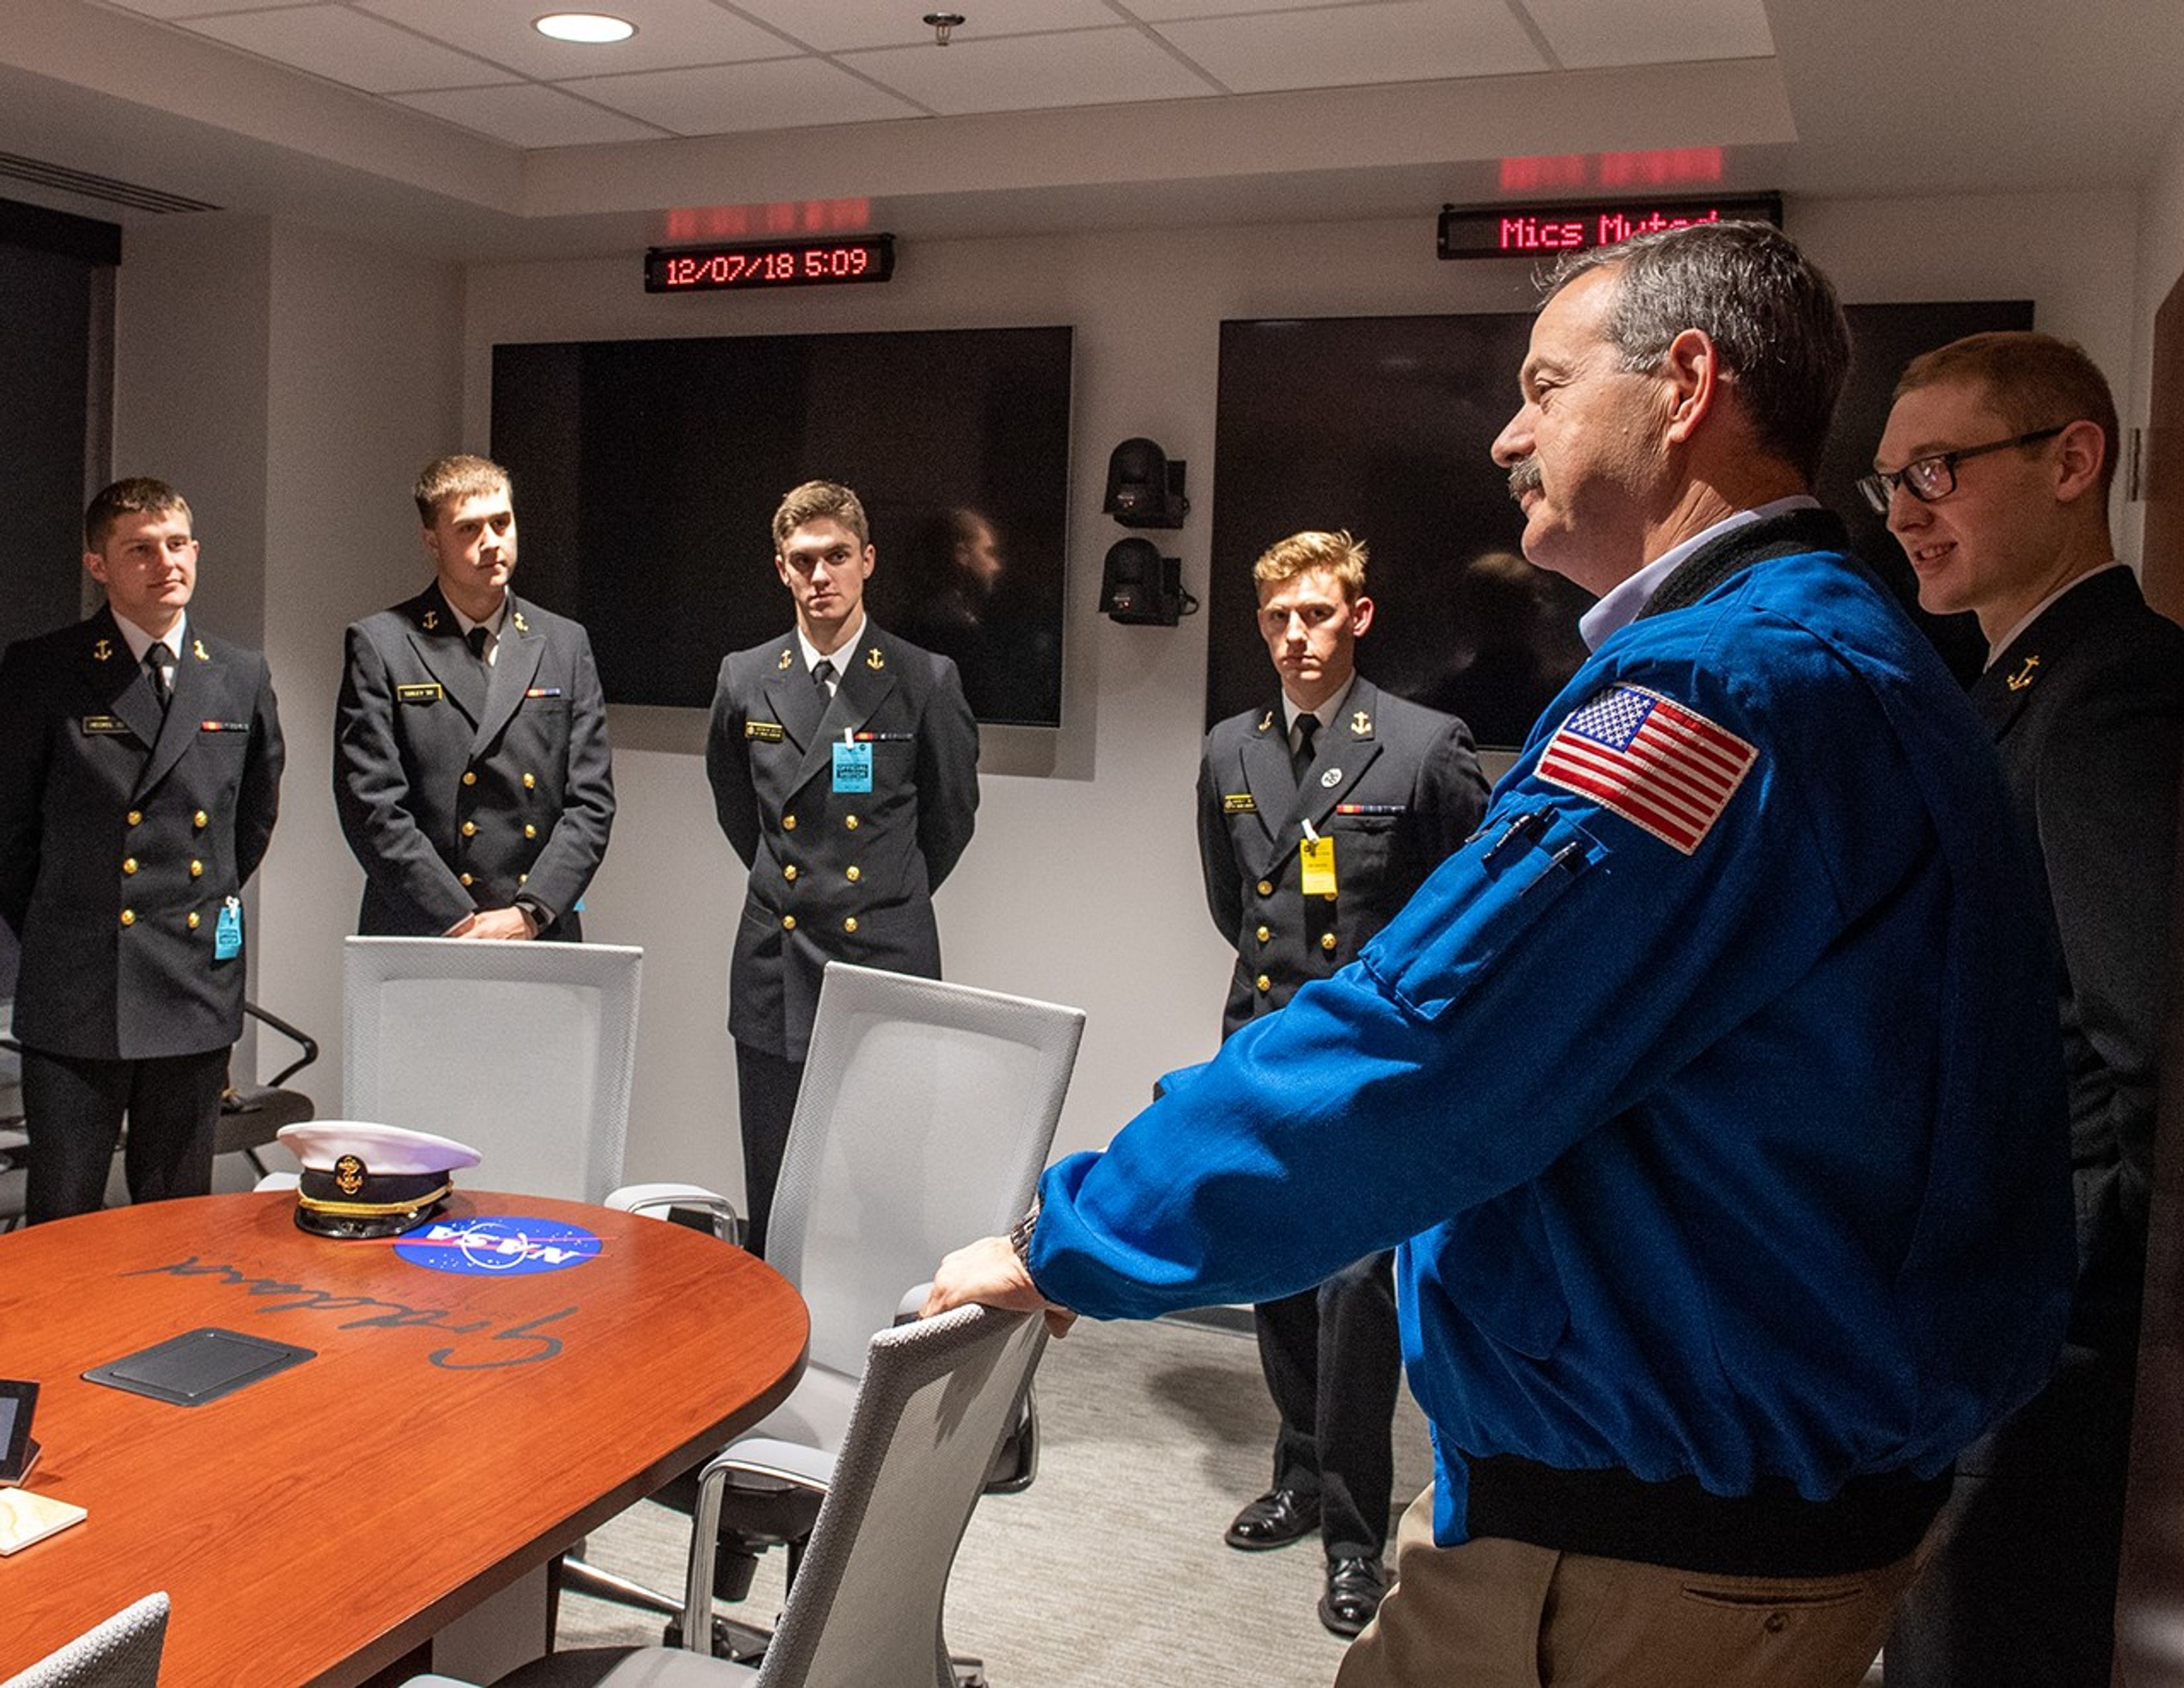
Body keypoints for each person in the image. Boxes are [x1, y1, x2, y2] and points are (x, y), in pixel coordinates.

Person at [925, 221, 2074, 1688]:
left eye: (1545, 384)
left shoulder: (1723, 690)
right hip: (1725, 1485)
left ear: (1685, 385)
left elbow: (1429, 1045)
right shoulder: (1843, 650)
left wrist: (1068, 1237)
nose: (1507, 434)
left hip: (1651, 1539)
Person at [1870, 333, 2184, 1687]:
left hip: (2052, 1360)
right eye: (1888, 480)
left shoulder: (2112, 695)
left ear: (2073, 460)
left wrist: (2055, 1327)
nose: (1902, 512)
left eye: (1936, 468)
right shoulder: (2011, 692)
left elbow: (2154, 1062)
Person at [1197, 528, 1486, 1635]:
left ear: (1358, 619)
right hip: (1263, 1055)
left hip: (1370, 1072)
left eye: (1315, 615)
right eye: (1277, 619)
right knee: (1274, 1274)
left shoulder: (1423, 746)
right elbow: (1235, 906)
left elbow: (1465, 910)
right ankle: (1300, 1473)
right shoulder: (1231, 749)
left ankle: (1357, 1536)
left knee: (1357, 1296)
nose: (1295, 637)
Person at [706, 480, 979, 1258]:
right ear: (781, 571)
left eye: (835, 557)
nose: (819, 575)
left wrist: (886, 891)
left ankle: (880, 1361)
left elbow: (950, 819)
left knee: (888, 1186)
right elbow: (738, 810)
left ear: (867, 561)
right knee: (778, 1186)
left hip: (883, 958)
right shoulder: (745, 676)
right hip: (775, 961)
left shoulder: (924, 678)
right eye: (803, 561)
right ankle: (776, 1356)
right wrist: (794, 881)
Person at [0, 478, 284, 1223]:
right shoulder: (44, 669)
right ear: (99, 564)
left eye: (177, 544)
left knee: (175, 1215)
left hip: (191, 980)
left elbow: (249, 820)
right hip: (80, 980)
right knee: (65, 1212)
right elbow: (10, 831)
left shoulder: (239, 672)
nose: (166, 562)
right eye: (141, 549)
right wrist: (77, 916)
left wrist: (183, 904)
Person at [334, 454, 614, 942]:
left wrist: (531, 912)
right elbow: (370, 804)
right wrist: (458, 920)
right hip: (425, 924)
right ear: (432, 541)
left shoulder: (565, 643)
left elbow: (591, 801)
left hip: (536, 926)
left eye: (501, 523)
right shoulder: (382, 644)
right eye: (468, 529)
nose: (491, 543)